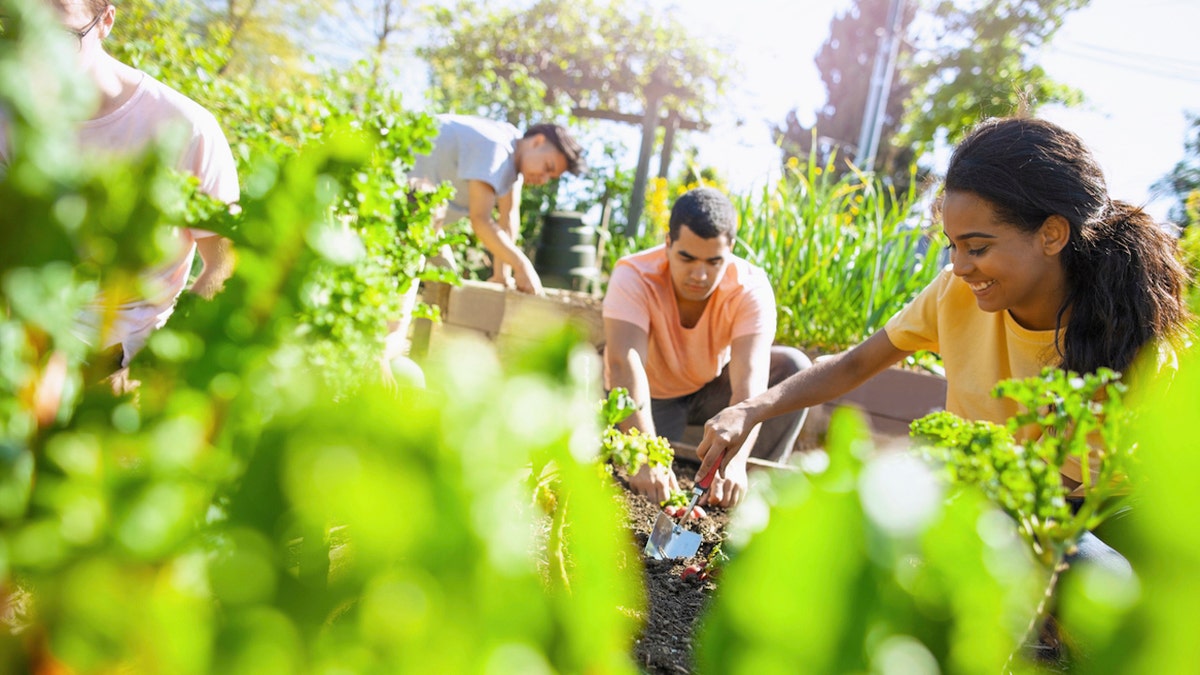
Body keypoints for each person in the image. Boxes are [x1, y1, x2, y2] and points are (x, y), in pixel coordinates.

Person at [695, 117, 1190, 572]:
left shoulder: (1125, 336)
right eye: (952, 246)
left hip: (1094, 510)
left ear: (1052, 234)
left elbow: (1045, 497)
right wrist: (750, 410)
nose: (959, 265)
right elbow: (853, 365)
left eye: (977, 248)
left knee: (1106, 578)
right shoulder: (956, 295)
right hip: (997, 504)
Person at [0, 0, 240, 393]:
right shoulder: (7, 118)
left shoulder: (185, 127)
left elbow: (224, 264)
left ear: (105, 22)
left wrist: (151, 368)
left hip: (128, 360)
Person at [603, 187, 812, 508]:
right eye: (686, 258)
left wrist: (737, 460)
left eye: (714, 262)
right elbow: (623, 364)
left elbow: (751, 379)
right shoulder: (634, 275)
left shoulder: (749, 287)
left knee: (792, 368)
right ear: (668, 243)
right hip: (652, 396)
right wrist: (645, 453)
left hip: (708, 390)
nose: (699, 275)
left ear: (730, 249)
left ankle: (746, 496)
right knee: (639, 493)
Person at [408, 114, 586, 295]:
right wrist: (521, 265)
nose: (544, 179)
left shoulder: (513, 149)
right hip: (400, 202)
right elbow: (481, 220)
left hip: (425, 220)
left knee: (446, 283)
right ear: (538, 142)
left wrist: (502, 275)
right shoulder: (496, 148)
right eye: (548, 167)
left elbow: (508, 218)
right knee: (403, 285)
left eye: (551, 177)